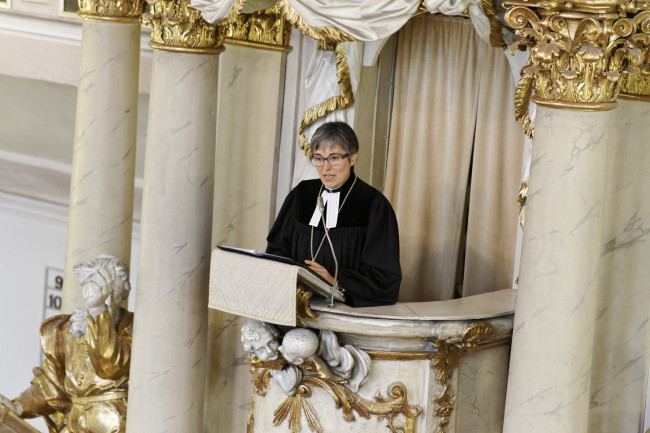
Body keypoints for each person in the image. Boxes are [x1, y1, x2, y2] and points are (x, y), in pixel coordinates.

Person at [266, 121, 401, 307]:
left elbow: (383, 278)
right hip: (295, 305)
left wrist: (335, 280)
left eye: (334, 158)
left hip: (344, 311)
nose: (325, 167)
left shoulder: (373, 205)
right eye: (319, 158)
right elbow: (276, 250)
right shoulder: (302, 195)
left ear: (352, 158)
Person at [0, 254, 133, 433]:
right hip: (72, 426)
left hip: (113, 425)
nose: (107, 301)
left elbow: (109, 365)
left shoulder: (135, 329)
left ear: (123, 294)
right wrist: (20, 407)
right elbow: (51, 383)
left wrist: (98, 310)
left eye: (112, 295)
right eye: (99, 294)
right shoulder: (69, 331)